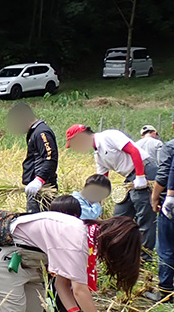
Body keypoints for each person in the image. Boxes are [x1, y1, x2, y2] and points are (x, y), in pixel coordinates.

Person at [0, 213, 140, 312]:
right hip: (4, 257)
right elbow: (79, 291)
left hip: (28, 262)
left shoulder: (83, 235)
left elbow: (61, 284)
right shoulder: (78, 240)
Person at [65, 124, 155, 256]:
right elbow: (101, 181)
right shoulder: (98, 155)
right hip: (130, 178)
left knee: (144, 215)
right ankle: (120, 252)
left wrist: (141, 176)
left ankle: (145, 257)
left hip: (144, 170)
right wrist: (95, 204)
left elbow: (134, 151)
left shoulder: (109, 136)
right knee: (120, 216)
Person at [7, 103, 58, 212]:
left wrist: (39, 180)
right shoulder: (35, 132)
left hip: (42, 189)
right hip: (34, 188)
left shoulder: (41, 132)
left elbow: (50, 158)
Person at [147, 131, 174, 301]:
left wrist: (155, 197)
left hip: (170, 206)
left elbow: (163, 175)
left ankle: (165, 291)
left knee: (166, 246)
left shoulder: (170, 146)